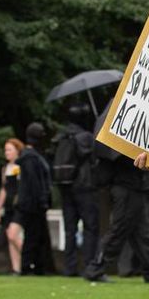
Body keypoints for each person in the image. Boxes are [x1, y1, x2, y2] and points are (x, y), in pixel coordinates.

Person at [84, 148, 149, 283]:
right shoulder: (122, 148)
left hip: (130, 187)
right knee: (122, 229)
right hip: (128, 187)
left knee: (139, 232)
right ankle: (96, 268)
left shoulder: (117, 149)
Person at [53, 103, 100, 277]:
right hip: (84, 185)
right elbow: (95, 158)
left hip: (65, 185)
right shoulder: (85, 137)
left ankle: (69, 267)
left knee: (69, 228)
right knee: (90, 226)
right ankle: (88, 264)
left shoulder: (61, 137)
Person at [17, 123, 53, 275]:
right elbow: (35, 183)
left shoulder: (30, 156)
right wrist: (42, 200)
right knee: (32, 236)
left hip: (33, 203)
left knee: (37, 236)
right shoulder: (31, 158)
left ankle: (38, 266)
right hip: (33, 204)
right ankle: (27, 266)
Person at [0, 138, 24, 274]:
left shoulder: (20, 167)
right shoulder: (5, 168)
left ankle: (29, 258)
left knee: (13, 235)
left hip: (18, 204)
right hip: (8, 206)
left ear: (17, 151)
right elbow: (4, 190)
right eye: (5, 150)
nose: (7, 153)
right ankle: (16, 268)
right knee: (9, 236)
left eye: (9, 150)